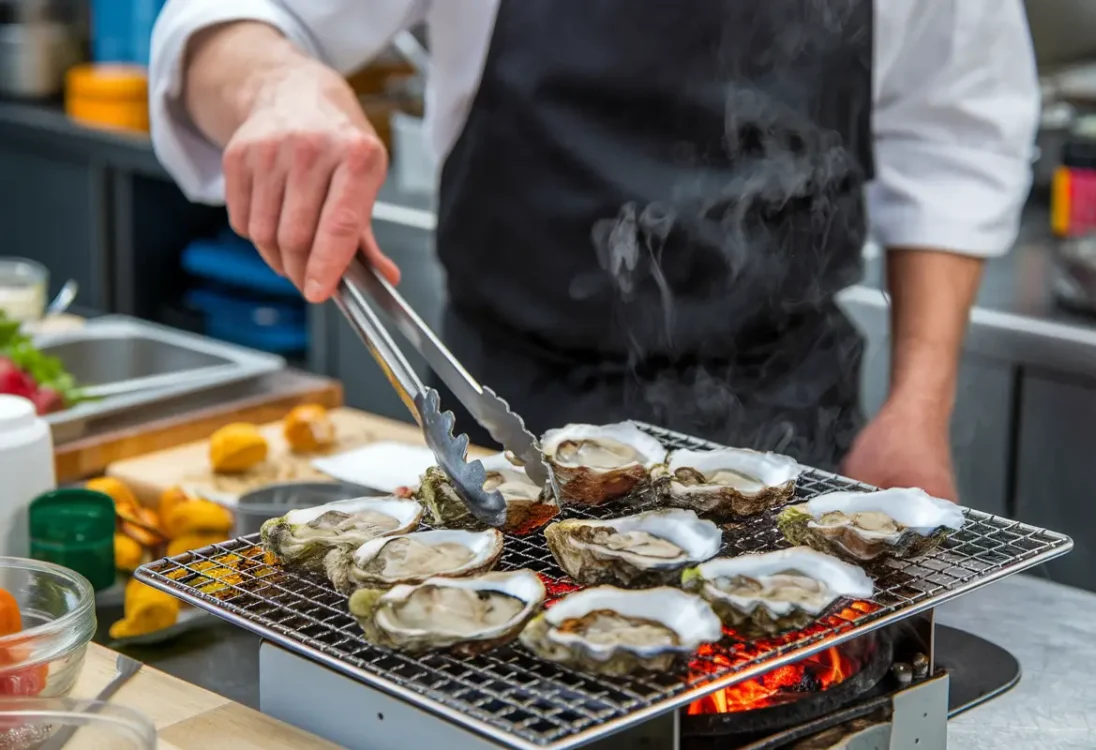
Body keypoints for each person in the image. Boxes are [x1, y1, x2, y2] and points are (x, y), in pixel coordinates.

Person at [149, 1, 1039, 502]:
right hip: (509, 418)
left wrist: (917, 411)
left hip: (792, 430)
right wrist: (276, 84)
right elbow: (225, 22)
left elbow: (957, 141)